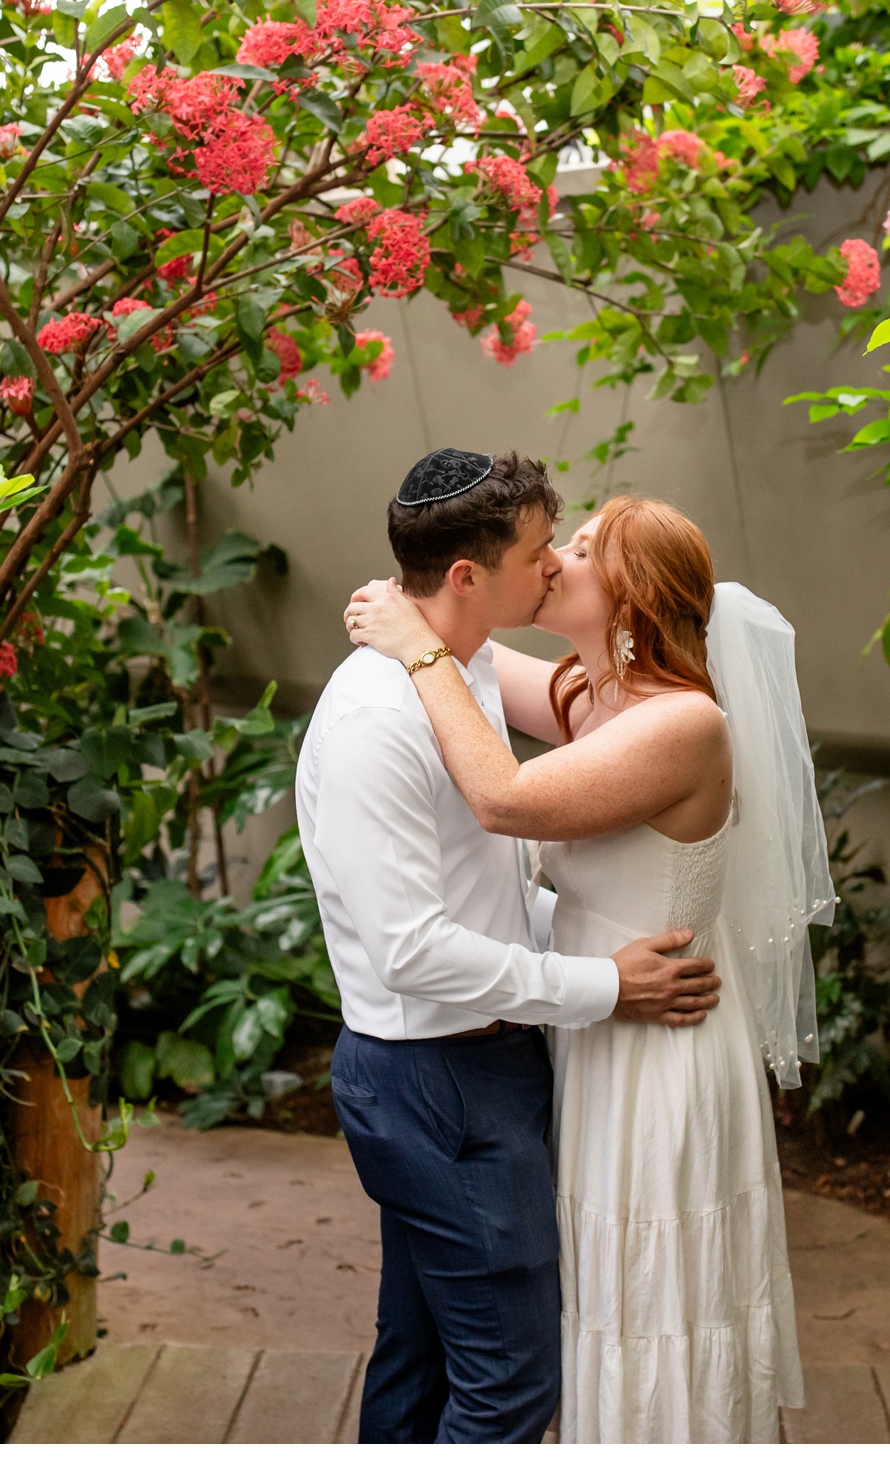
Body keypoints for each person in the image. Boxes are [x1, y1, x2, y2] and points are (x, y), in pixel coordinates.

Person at [344, 492, 832, 1444]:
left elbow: (504, 794)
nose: (558, 558)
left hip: (661, 1049)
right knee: (585, 1292)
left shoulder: (683, 725)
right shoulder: (590, 690)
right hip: (595, 1029)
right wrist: (420, 596)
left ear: (635, 597)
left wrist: (417, 646)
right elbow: (474, 645)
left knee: (653, 1297)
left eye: (582, 548)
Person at [295, 450, 724, 1445]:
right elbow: (412, 950)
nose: (553, 570)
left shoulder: (470, 667)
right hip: (431, 1079)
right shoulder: (376, 720)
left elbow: (507, 843)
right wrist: (599, 982)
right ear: (465, 576)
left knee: (425, 1350)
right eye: (541, 552)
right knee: (511, 1384)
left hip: (492, 1060)